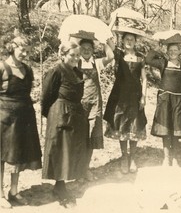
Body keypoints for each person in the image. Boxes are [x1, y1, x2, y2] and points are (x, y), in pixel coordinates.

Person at [41, 41, 89, 208]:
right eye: (72, 55)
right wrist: (52, 114)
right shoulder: (56, 70)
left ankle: (61, 184)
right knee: (60, 150)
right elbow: (46, 96)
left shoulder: (77, 71)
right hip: (60, 112)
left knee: (69, 149)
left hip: (74, 112)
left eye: (77, 55)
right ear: (63, 55)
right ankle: (60, 188)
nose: (75, 58)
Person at [0, 33, 42, 208]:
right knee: (2, 156)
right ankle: (0, 194)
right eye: (22, 50)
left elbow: (27, 93)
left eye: (27, 51)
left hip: (24, 117)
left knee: (18, 155)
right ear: (12, 47)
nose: (25, 54)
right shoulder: (2, 68)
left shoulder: (28, 69)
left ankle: (14, 191)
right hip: (4, 118)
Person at [70, 30, 114, 181]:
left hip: (95, 104)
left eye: (90, 48)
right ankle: (77, 171)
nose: (87, 50)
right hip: (80, 105)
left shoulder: (97, 63)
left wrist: (104, 41)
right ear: (79, 49)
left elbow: (111, 56)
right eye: (84, 48)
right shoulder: (75, 62)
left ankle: (86, 169)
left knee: (90, 138)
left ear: (93, 50)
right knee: (79, 138)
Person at [145, 33, 181, 167]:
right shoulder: (163, 62)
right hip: (165, 100)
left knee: (177, 130)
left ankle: (175, 158)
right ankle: (166, 158)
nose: (173, 53)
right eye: (170, 50)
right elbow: (148, 59)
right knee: (165, 129)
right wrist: (158, 48)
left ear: (179, 52)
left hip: (179, 100)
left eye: (175, 50)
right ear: (167, 51)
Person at [103, 32, 147, 174]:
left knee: (135, 125)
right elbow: (107, 40)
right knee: (121, 124)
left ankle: (132, 158)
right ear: (122, 41)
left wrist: (144, 97)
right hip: (120, 96)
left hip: (135, 96)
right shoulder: (119, 54)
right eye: (126, 39)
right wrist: (110, 24)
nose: (129, 41)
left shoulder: (140, 57)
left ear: (135, 41)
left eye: (132, 39)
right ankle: (124, 157)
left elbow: (144, 79)